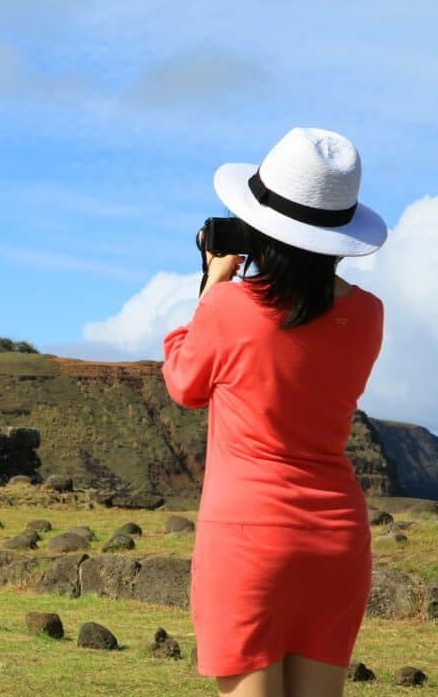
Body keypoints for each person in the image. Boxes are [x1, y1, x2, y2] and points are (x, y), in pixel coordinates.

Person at [162, 127, 389, 697]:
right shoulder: (368, 317)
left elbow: (186, 384)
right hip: (336, 535)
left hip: (247, 536)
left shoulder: (231, 307)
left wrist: (212, 285)